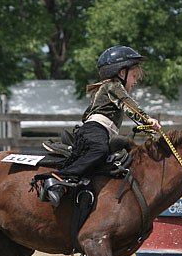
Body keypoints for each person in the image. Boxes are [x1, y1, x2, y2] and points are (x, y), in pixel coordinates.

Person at [42, 45, 161, 207]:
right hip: (95, 130)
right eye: (134, 76)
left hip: (99, 131)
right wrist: (146, 119)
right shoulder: (113, 86)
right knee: (99, 150)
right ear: (122, 73)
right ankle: (59, 178)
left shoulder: (107, 89)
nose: (135, 82)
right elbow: (128, 104)